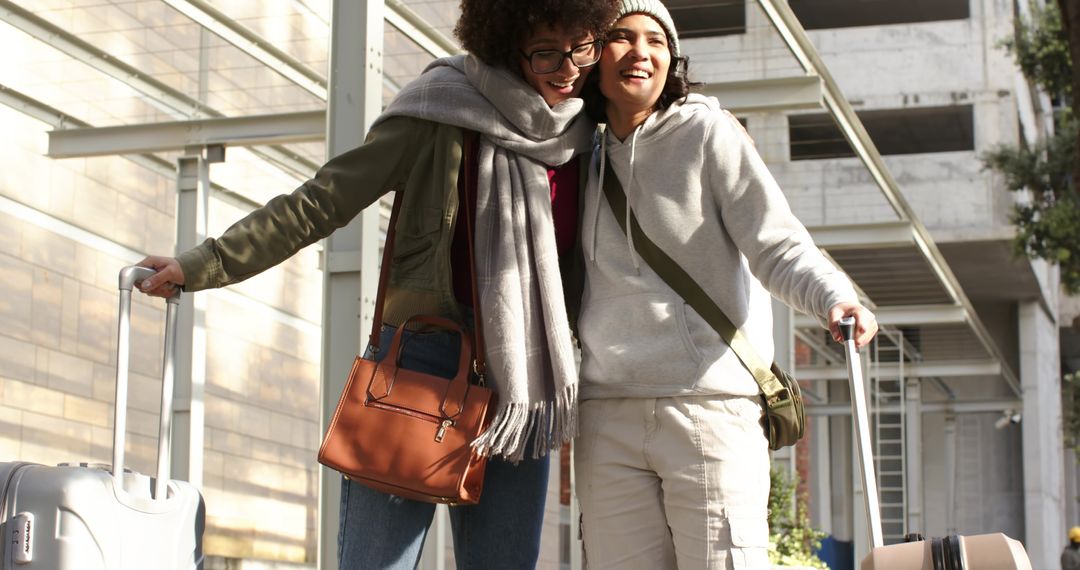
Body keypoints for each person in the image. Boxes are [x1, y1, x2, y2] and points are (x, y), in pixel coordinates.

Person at [135, 0, 620, 567]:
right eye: (545, 52)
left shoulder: (593, 134)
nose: (567, 70)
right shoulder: (440, 109)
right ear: (504, 44)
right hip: (420, 360)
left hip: (522, 380)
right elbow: (321, 202)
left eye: (581, 48)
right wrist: (202, 264)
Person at [571, 1, 879, 568]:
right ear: (592, 53)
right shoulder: (572, 152)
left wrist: (834, 297)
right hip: (607, 411)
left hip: (710, 407)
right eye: (622, 36)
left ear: (673, 58)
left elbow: (776, 243)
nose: (641, 52)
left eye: (656, 41)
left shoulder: (708, 133)